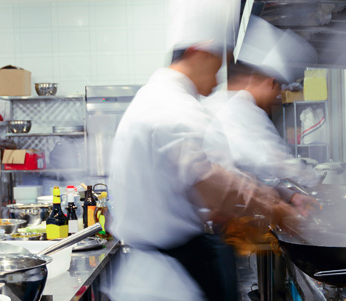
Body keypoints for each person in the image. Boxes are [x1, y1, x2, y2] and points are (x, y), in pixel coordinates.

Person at [106, 2, 301, 300]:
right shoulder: (172, 107)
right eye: (218, 62)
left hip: (162, 271)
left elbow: (200, 185)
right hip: (168, 283)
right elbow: (212, 183)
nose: (219, 77)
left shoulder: (156, 97)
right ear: (198, 52)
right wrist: (278, 209)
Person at [203, 16, 320, 214]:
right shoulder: (241, 109)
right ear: (269, 82)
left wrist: (291, 195)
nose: (278, 97)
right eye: (279, 89)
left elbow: (256, 173)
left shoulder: (232, 103)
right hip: (217, 218)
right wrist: (315, 180)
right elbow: (272, 160)